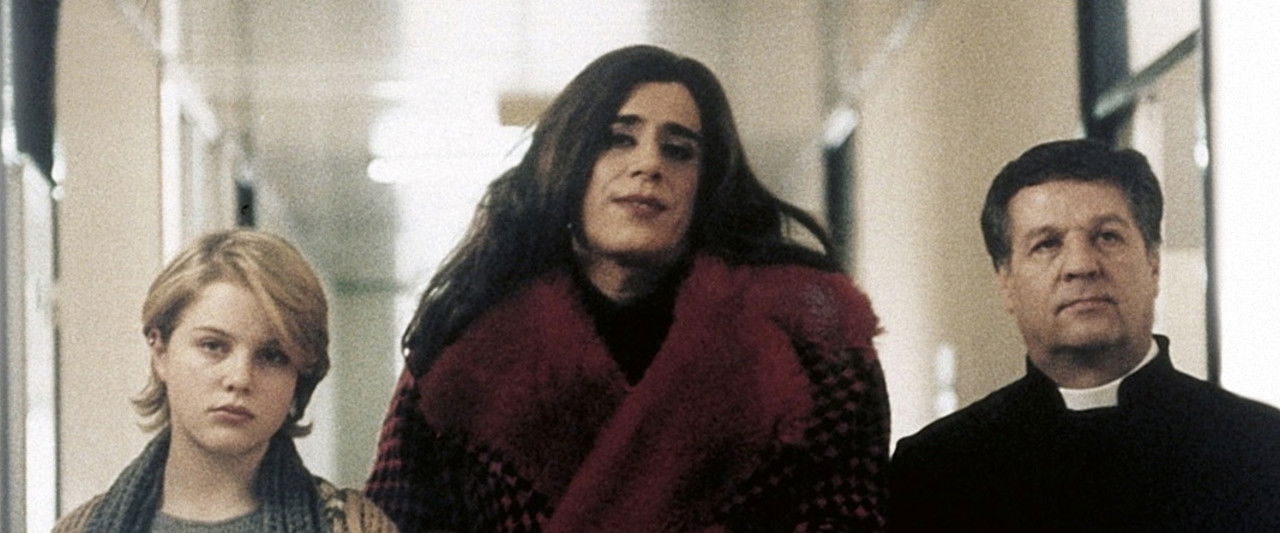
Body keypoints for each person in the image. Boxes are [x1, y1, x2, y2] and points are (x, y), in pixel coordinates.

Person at [364, 45, 889, 532]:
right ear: (569, 159)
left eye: (678, 150)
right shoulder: (463, 346)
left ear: (706, 184)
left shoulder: (811, 344)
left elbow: (845, 519)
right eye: (618, 139)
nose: (649, 165)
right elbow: (394, 521)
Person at [889, 139, 1280, 532]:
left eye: (1107, 237)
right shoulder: (934, 472)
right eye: (1047, 244)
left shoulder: (1262, 448)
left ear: (1153, 264)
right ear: (1005, 281)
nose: (1081, 265)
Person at [54, 229, 396, 532]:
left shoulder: (355, 527)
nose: (240, 378)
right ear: (160, 352)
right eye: (213, 346)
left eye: (272, 356)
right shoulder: (82, 528)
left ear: (300, 376)